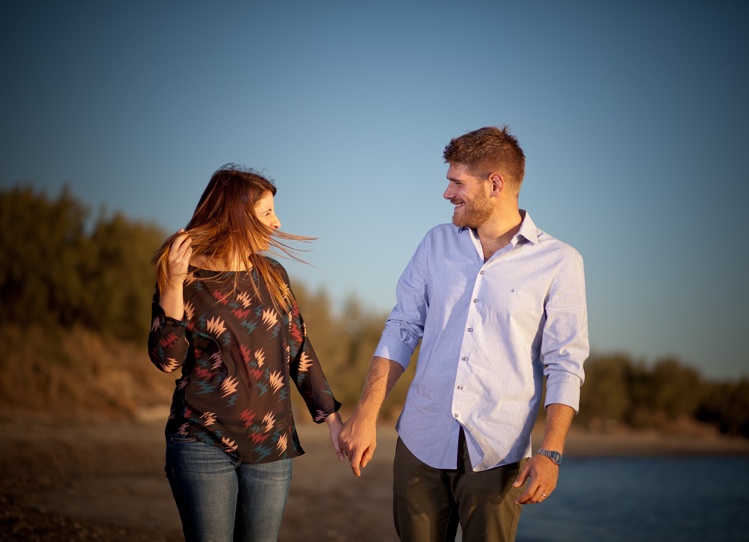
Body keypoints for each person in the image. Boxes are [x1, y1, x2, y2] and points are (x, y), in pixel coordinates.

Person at [338, 126, 588, 542]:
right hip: (421, 443)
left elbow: (565, 362)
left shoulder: (560, 262)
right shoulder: (435, 243)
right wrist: (365, 413)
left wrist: (551, 451)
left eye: (457, 182)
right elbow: (402, 328)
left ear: (495, 184)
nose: (447, 193)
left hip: (498, 453)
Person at [147, 165, 343, 542]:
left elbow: (298, 348)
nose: (277, 222)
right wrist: (172, 283)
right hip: (202, 439)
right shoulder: (184, 276)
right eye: (267, 213)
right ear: (236, 216)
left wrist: (333, 420)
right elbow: (167, 359)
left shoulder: (273, 275)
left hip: (272, 444)